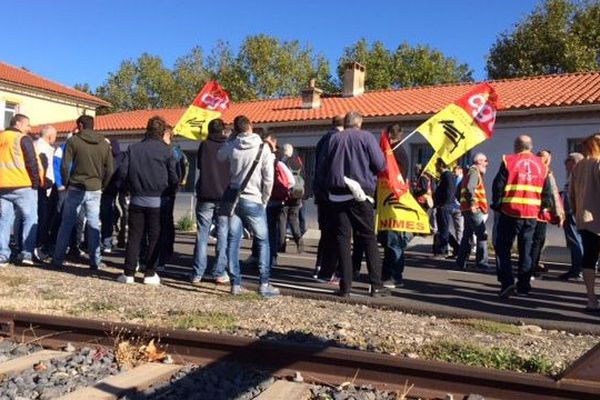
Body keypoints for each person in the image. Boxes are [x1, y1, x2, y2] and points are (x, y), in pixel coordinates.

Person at [322, 111, 389, 297]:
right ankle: (376, 285)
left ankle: (345, 286)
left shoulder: (333, 139)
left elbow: (324, 167)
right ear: (360, 123)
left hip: (337, 195)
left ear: (345, 123)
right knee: (368, 238)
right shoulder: (366, 137)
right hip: (360, 195)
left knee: (343, 240)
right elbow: (380, 165)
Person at [217, 115, 279, 297]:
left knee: (233, 240)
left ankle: (235, 283)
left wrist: (230, 139)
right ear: (251, 126)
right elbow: (269, 179)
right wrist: (265, 199)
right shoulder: (263, 148)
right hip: (254, 199)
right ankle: (264, 283)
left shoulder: (232, 145)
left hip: (234, 199)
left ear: (236, 130)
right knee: (263, 241)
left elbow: (219, 156)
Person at [116, 116, 178, 285]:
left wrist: (124, 190)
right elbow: (173, 176)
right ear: (162, 130)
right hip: (158, 201)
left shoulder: (133, 148)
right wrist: (171, 193)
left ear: (147, 129)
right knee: (155, 237)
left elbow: (122, 172)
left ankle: (128, 273)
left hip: (137, 199)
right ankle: (150, 273)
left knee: (134, 237)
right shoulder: (167, 151)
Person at [492, 135, 552, 299]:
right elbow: (547, 192)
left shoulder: (508, 161)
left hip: (510, 211)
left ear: (516, 146)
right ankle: (524, 286)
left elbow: (498, 185)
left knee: (503, 248)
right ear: (531, 147)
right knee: (526, 250)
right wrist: (542, 208)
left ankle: (507, 282)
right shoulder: (542, 165)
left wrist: (497, 205)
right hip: (532, 214)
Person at [51, 115, 113, 270]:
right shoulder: (104, 144)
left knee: (67, 223)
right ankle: (95, 261)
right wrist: (102, 185)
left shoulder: (73, 141)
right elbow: (110, 169)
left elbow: (65, 166)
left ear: (80, 125)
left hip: (76, 186)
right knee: (93, 224)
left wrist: (66, 183)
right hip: (95, 188)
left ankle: (57, 259)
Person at [190, 118, 231, 285]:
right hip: (224, 195)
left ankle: (197, 273)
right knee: (222, 234)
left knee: (202, 235)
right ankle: (219, 272)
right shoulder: (229, 146)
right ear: (222, 130)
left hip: (206, 193)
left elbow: (200, 166)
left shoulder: (204, 145)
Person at [0, 114, 41, 267]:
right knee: (30, 218)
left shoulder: (1, 137)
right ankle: (27, 253)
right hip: (22, 184)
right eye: (27, 125)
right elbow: (32, 162)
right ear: (18, 123)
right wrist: (35, 183)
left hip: (3, 186)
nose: (29, 128)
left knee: (4, 220)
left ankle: (3, 255)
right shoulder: (22, 139)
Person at [378, 123, 412, 288]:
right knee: (389, 241)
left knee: (393, 241)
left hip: (392, 202)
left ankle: (395, 276)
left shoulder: (394, 153)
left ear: (389, 136)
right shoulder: (396, 152)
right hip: (389, 202)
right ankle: (387, 273)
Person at [569, 133, 600, 311]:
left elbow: (572, 195)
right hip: (597, 218)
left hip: (584, 218)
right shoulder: (598, 163)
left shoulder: (578, 167)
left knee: (589, 258)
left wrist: (576, 210)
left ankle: (591, 298)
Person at [313, 116, 344, 281]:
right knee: (335, 233)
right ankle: (330, 270)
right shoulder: (336, 140)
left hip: (321, 193)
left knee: (325, 233)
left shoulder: (322, 140)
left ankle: (320, 265)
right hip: (332, 193)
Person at [158, 127, 189, 270]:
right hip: (168, 189)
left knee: (165, 222)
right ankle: (166, 249)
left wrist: (177, 183)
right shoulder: (175, 150)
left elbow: (183, 167)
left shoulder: (174, 151)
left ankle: (165, 251)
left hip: (168, 189)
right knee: (166, 221)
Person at [530, 150, 565, 276]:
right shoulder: (545, 172)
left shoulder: (532, 170)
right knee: (537, 241)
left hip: (532, 211)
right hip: (539, 212)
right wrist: (559, 214)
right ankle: (531, 267)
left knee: (533, 240)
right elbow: (553, 195)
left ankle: (532, 264)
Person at [456, 153, 490, 271]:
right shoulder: (474, 172)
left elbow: (458, 190)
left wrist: (464, 203)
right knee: (482, 234)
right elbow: (470, 188)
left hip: (466, 209)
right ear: (479, 161)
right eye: (486, 161)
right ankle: (482, 263)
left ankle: (461, 262)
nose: (487, 164)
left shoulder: (468, 173)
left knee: (467, 235)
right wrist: (472, 203)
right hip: (473, 209)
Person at [558, 152, 585, 281]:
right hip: (574, 211)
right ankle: (578, 268)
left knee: (576, 240)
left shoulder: (578, 175)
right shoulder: (579, 174)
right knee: (575, 241)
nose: (565, 166)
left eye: (567, 162)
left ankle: (578, 270)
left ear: (573, 162)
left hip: (574, 212)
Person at [34, 125, 57, 256]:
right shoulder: (44, 148)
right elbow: (44, 168)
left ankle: (26, 246)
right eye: (55, 135)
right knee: (41, 218)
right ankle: (36, 247)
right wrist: (46, 184)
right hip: (43, 186)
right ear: (49, 136)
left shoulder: (34, 144)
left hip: (38, 186)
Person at [279, 143, 304, 254]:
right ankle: (299, 239)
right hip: (298, 193)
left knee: (282, 219)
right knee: (294, 218)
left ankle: (281, 245)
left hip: (286, 193)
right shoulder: (298, 160)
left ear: (283, 151)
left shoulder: (282, 162)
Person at [100, 138, 123, 254]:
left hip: (108, 191)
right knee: (106, 217)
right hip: (109, 191)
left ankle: (107, 241)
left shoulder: (113, 159)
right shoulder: (114, 158)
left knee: (107, 217)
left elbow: (111, 173)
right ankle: (107, 241)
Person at [433, 158, 457, 257]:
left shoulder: (448, 176)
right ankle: (457, 248)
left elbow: (449, 192)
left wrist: (443, 203)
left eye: (437, 164)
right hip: (441, 205)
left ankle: (443, 251)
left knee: (444, 229)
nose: (435, 166)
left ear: (442, 164)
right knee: (444, 229)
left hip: (445, 206)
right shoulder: (443, 176)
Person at [448, 164, 464, 257]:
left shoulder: (462, 180)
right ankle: (456, 248)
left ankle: (459, 249)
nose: (454, 173)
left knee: (459, 228)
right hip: (452, 205)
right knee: (452, 227)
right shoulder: (454, 179)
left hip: (459, 206)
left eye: (455, 171)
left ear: (460, 170)